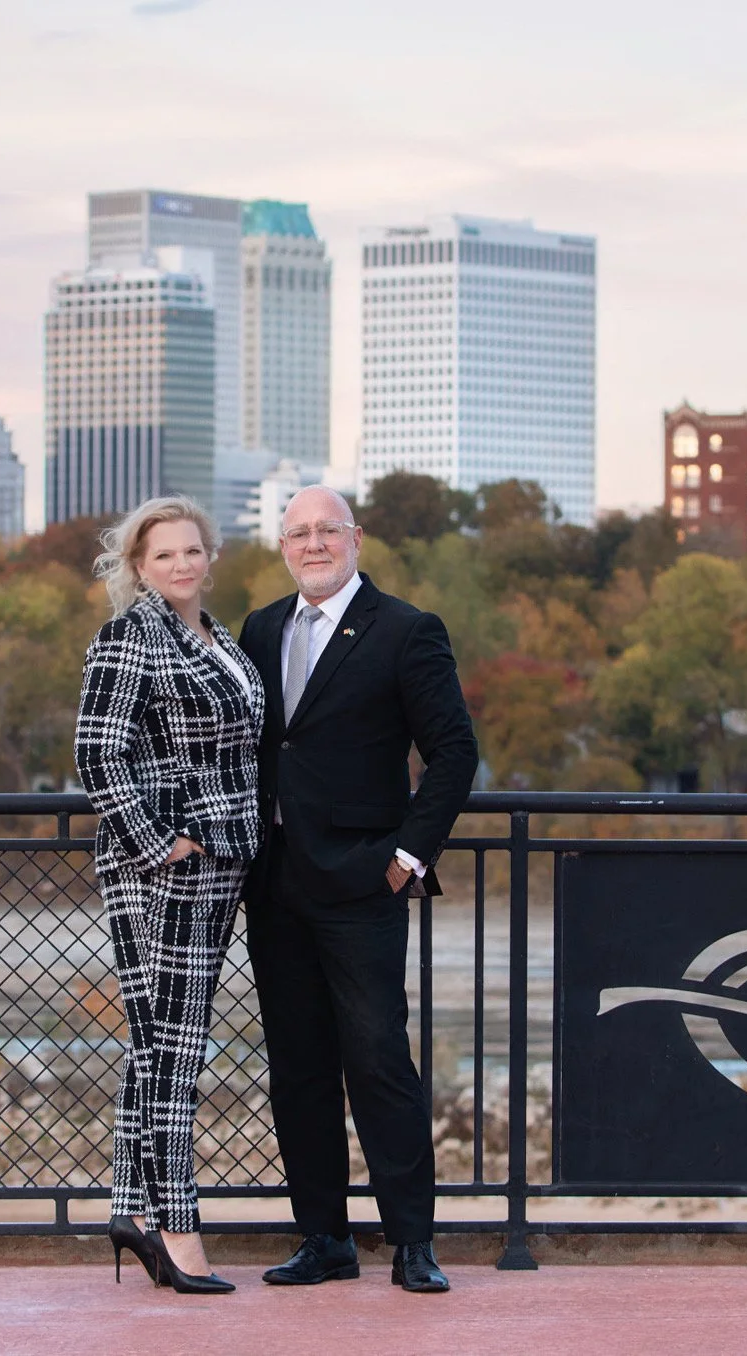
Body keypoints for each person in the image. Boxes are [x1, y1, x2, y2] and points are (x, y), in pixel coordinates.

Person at [238, 486, 479, 1294]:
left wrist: (408, 856)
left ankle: (413, 1243)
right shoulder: (261, 628)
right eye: (298, 533)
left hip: (363, 880)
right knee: (298, 1067)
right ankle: (325, 1238)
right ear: (283, 545)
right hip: (275, 885)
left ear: (356, 539)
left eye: (326, 531)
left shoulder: (408, 631)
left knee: (379, 1061)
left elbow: (453, 752)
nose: (313, 544)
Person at [74, 495, 264, 1296]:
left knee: (156, 1042)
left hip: (224, 857)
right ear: (138, 568)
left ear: (208, 556)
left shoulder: (217, 638)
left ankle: (131, 1210)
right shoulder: (128, 637)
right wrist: (160, 844)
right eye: (165, 556)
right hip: (165, 868)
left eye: (193, 551)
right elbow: (97, 755)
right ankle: (178, 1228)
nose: (183, 565)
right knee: (177, 1047)